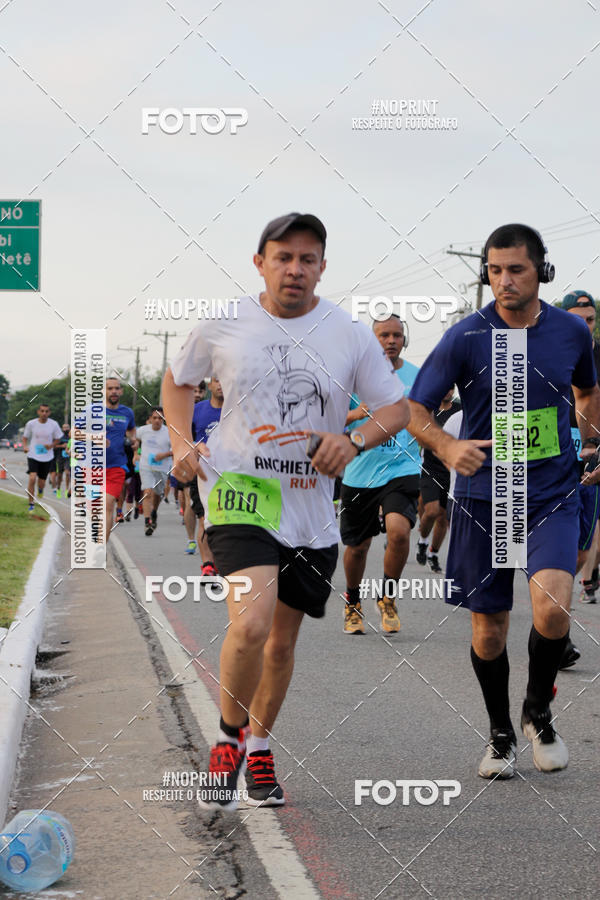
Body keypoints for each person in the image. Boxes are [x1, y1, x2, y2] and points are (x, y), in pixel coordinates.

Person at [163, 212, 408, 810]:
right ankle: (227, 739)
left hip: (311, 509)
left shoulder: (348, 333)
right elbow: (177, 382)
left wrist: (353, 442)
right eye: (283, 257)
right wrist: (179, 442)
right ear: (260, 263)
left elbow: (396, 411)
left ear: (322, 266)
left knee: (279, 644)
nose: (295, 269)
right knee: (249, 623)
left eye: (307, 258)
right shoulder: (225, 324)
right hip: (240, 493)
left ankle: (261, 744)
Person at [407, 223, 600, 779]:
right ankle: (499, 733)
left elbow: (587, 390)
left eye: (515, 269)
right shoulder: (466, 336)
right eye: (494, 271)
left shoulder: (570, 333)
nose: (504, 280)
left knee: (555, 605)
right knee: (489, 629)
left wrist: (589, 439)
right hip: (483, 496)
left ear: (541, 269)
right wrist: (445, 444)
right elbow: (415, 408)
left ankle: (538, 710)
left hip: (549, 492)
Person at [340, 315, 420, 634]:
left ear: (404, 340)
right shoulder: (352, 377)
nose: (391, 340)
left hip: (403, 467)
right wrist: (356, 414)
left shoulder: (417, 376)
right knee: (358, 547)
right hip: (361, 471)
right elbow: (329, 418)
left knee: (399, 532)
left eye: (397, 335)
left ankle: (387, 597)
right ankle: (353, 602)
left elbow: (426, 415)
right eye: (384, 335)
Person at [415, 388, 461, 573]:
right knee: (432, 511)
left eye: (451, 388)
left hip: (450, 472)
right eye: (445, 386)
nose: (448, 391)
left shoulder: (459, 410)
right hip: (431, 469)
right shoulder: (430, 409)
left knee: (443, 517)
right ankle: (423, 541)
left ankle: (433, 553)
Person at [191, 375, 223, 578]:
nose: (221, 384)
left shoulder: (239, 409)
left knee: (224, 523)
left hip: (232, 474)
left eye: (224, 380)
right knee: (204, 519)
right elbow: (184, 436)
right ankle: (208, 564)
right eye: (217, 380)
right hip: (203, 473)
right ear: (210, 384)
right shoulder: (198, 410)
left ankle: (222, 562)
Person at [104, 378, 136, 543]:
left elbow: (131, 430)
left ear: (121, 391)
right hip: (93, 466)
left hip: (116, 465)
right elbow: (76, 432)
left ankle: (101, 547)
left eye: (117, 388)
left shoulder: (127, 413)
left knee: (108, 505)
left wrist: (133, 441)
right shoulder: (94, 411)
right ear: (104, 391)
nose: (114, 391)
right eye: (110, 388)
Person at [135, 407, 173, 536]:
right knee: (147, 491)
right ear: (150, 419)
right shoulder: (142, 431)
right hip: (146, 466)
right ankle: (147, 522)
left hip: (162, 468)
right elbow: (135, 440)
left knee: (157, 494)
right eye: (155, 418)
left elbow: (175, 450)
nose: (157, 420)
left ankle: (154, 512)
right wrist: (135, 453)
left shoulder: (169, 432)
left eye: (160, 418)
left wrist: (164, 454)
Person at [23, 404, 63, 511]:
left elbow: (58, 438)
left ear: (49, 413)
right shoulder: (31, 423)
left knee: (41, 483)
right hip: (33, 454)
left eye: (46, 411)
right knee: (32, 478)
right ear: (38, 412)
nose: (44, 413)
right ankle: (31, 503)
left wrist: (51, 445)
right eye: (42, 411)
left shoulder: (53, 424)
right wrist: (25, 446)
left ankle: (40, 490)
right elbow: (25, 437)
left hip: (47, 456)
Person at [51, 423, 71, 499]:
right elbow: (54, 446)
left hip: (68, 458)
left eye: (67, 427)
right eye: (64, 427)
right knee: (59, 475)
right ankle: (58, 488)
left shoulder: (71, 437)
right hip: (60, 458)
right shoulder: (59, 437)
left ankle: (66, 489)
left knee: (67, 473)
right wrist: (62, 446)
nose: (66, 429)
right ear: (62, 429)